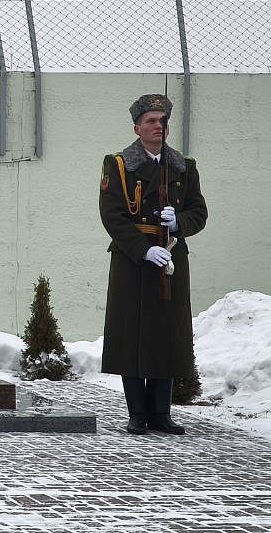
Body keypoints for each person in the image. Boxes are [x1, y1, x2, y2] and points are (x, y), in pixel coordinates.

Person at [100, 94, 207, 435]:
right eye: (151, 121)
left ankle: (161, 414)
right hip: (133, 261)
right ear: (137, 128)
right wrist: (144, 250)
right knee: (131, 335)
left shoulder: (183, 167)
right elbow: (113, 216)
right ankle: (137, 414)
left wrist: (179, 223)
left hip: (171, 257)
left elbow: (198, 212)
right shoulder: (119, 165)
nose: (158, 126)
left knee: (166, 335)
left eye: (162, 121)